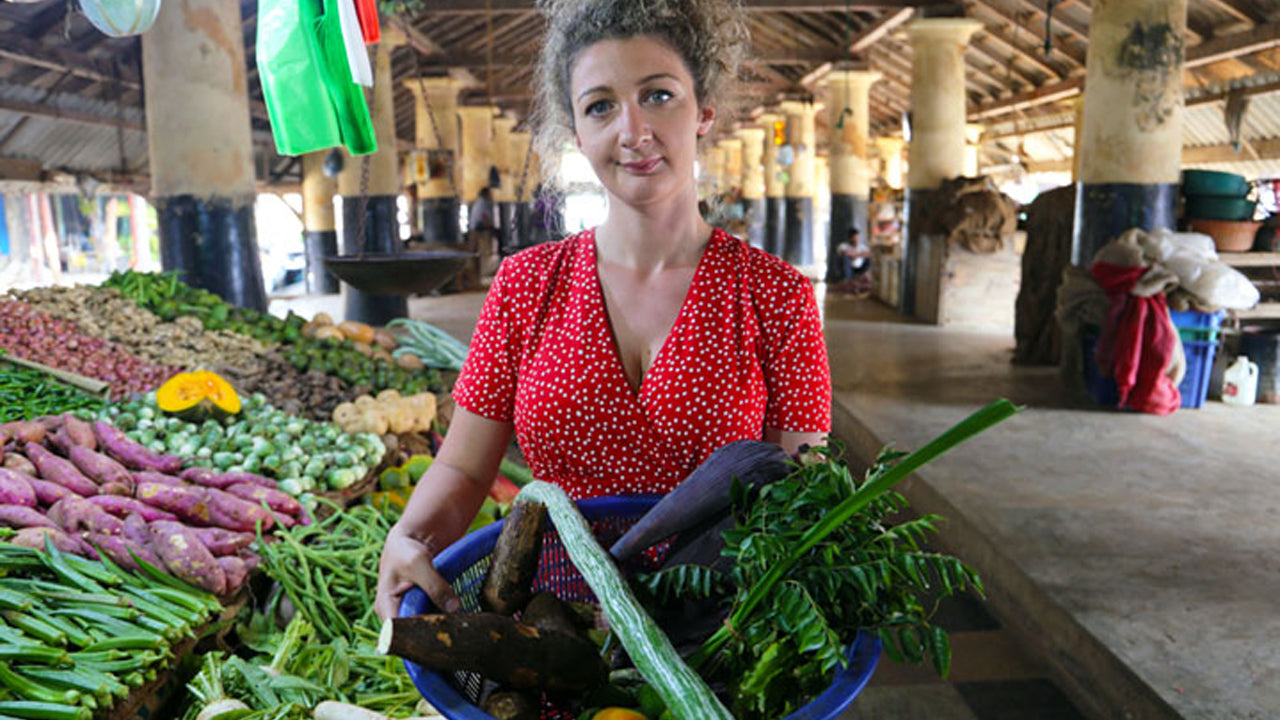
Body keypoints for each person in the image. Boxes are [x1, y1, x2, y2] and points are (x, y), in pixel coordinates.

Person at [375, 0, 831, 620]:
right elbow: (461, 465)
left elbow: (801, 494)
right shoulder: (525, 285)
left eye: (660, 95)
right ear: (578, 134)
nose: (633, 131)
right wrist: (412, 537)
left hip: (719, 626)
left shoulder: (776, 296)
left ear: (705, 111)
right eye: (600, 106)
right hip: (550, 625)